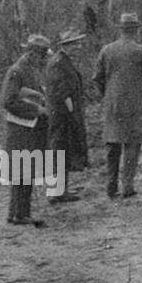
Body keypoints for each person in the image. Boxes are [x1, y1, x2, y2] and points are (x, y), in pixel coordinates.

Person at [94, 13, 142, 199]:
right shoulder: (141, 51)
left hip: (113, 103)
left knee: (113, 143)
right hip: (136, 104)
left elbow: (97, 78)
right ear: (136, 30)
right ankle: (127, 186)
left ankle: (111, 187)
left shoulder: (106, 50)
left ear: (121, 30)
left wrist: (108, 95)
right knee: (132, 144)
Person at [1, 35, 53, 225]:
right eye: (41, 56)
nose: (43, 60)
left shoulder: (30, 69)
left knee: (26, 171)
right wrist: (36, 110)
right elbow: (8, 101)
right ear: (32, 54)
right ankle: (18, 214)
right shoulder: (17, 71)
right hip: (21, 130)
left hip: (31, 129)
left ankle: (19, 213)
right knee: (21, 171)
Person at [44, 29, 89, 203]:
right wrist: (72, 113)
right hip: (62, 116)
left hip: (65, 115)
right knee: (59, 150)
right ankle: (56, 191)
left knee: (64, 150)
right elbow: (62, 92)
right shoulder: (58, 63)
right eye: (75, 44)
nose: (79, 47)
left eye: (78, 43)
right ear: (66, 46)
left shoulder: (64, 61)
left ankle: (60, 189)